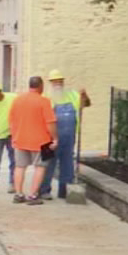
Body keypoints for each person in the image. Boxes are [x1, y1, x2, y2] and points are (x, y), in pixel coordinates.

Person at [38, 69, 92, 200]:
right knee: (48, 164)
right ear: (50, 82)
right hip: (49, 138)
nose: (58, 83)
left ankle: (65, 191)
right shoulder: (45, 98)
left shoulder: (73, 95)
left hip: (69, 137)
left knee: (67, 164)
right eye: (55, 81)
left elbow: (86, 104)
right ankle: (44, 190)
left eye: (60, 81)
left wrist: (84, 96)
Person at [8, 76, 57, 205]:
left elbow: (11, 121)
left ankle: (18, 194)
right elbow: (50, 123)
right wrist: (55, 138)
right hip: (42, 141)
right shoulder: (44, 101)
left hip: (20, 139)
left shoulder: (17, 100)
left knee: (19, 167)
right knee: (40, 167)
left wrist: (14, 137)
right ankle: (33, 196)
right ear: (40, 86)